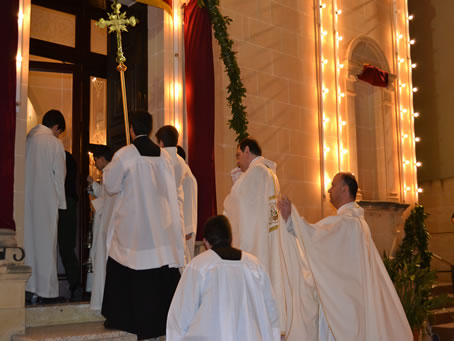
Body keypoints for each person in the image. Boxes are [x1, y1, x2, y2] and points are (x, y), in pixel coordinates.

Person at [278, 172, 413, 340]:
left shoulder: (347, 223)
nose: (329, 189)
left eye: (333, 185)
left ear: (344, 189)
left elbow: (316, 238)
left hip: (344, 302)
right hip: (352, 298)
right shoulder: (356, 222)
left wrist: (292, 219)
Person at [223, 137, 319, 340]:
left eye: (238, 155)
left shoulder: (256, 172)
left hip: (256, 243)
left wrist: (237, 184)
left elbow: (235, 204)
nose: (238, 161)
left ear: (247, 150)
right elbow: (268, 212)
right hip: (267, 238)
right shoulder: (268, 173)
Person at [101, 111, 185, 340]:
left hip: (135, 228)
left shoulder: (126, 155)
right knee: (158, 276)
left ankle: (121, 318)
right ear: (149, 129)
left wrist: (106, 170)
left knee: (123, 263)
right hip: (159, 228)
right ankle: (159, 323)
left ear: (131, 128)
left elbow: (111, 186)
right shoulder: (164, 157)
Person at [166, 215, 281, 341]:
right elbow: (271, 315)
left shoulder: (199, 265)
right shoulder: (255, 265)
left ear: (205, 241)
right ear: (230, 238)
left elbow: (180, 318)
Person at [25, 109, 67, 303]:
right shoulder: (54, 143)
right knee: (47, 244)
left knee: (29, 242)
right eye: (59, 131)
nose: (58, 135)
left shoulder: (27, 139)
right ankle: (47, 292)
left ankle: (28, 287)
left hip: (26, 200)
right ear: (56, 127)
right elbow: (59, 175)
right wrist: (60, 203)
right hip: (47, 201)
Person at [156, 125, 197, 259]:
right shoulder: (180, 162)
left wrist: (188, 227)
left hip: (170, 219)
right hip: (177, 218)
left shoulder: (161, 160)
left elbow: (189, 197)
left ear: (161, 142)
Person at [86, 145, 114, 311]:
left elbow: (105, 198)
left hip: (105, 220)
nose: (95, 163)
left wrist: (92, 194)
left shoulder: (110, 172)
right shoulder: (108, 172)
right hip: (104, 219)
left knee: (101, 252)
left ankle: (99, 294)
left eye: (96, 160)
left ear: (103, 159)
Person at [58, 150, 83, 301]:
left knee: (56, 246)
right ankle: (75, 285)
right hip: (70, 201)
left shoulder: (58, 155)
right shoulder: (69, 157)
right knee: (67, 247)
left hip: (61, 201)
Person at [176, 145, 198, 258]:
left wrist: (187, 230)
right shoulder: (181, 174)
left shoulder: (187, 177)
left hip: (185, 231)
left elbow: (190, 204)